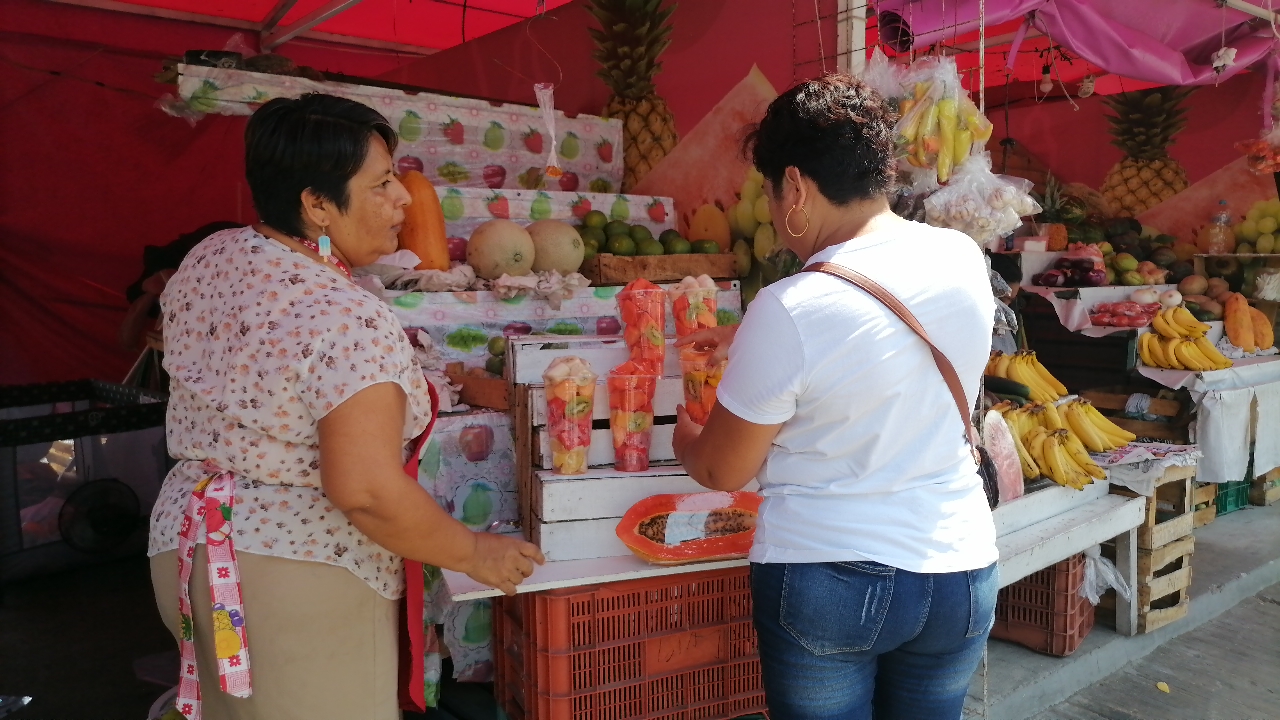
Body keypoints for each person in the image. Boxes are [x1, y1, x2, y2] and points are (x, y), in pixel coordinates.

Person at [148, 93, 543, 720]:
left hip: (188, 548)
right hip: (296, 578)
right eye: (382, 184)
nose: (403, 198)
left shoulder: (211, 258)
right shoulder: (346, 316)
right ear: (317, 205)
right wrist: (473, 553)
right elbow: (365, 490)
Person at [672, 74, 998, 719]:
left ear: (794, 186)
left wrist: (685, 435)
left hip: (832, 580)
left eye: (771, 192)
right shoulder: (960, 254)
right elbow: (883, 337)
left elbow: (721, 470)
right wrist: (751, 339)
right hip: (958, 569)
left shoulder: (791, 306)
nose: (773, 214)